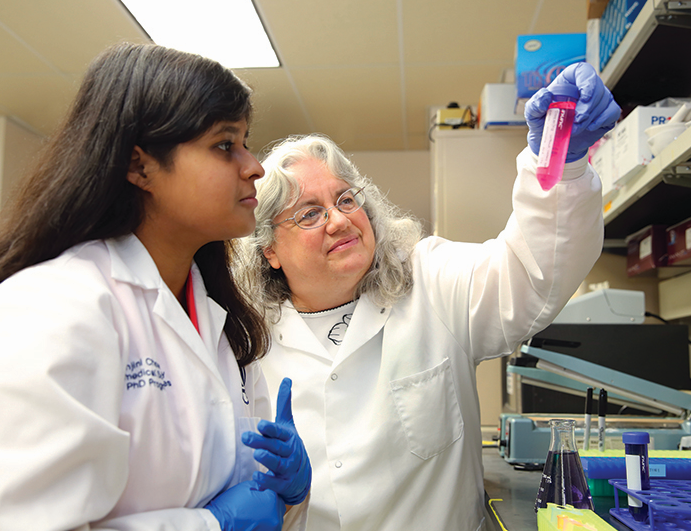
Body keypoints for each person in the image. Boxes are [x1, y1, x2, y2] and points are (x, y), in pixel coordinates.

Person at [235, 62, 620, 531]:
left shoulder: (430, 278)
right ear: (270, 249)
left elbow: (530, 274)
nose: (338, 220)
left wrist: (562, 164)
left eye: (345, 200)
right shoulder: (247, 339)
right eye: (310, 214)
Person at [0, 42, 311, 531]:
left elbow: (245, 498)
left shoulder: (216, 320)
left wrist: (290, 491)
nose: (254, 166)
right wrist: (212, 527)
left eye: (245, 142)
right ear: (139, 166)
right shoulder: (48, 312)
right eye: (224, 144)